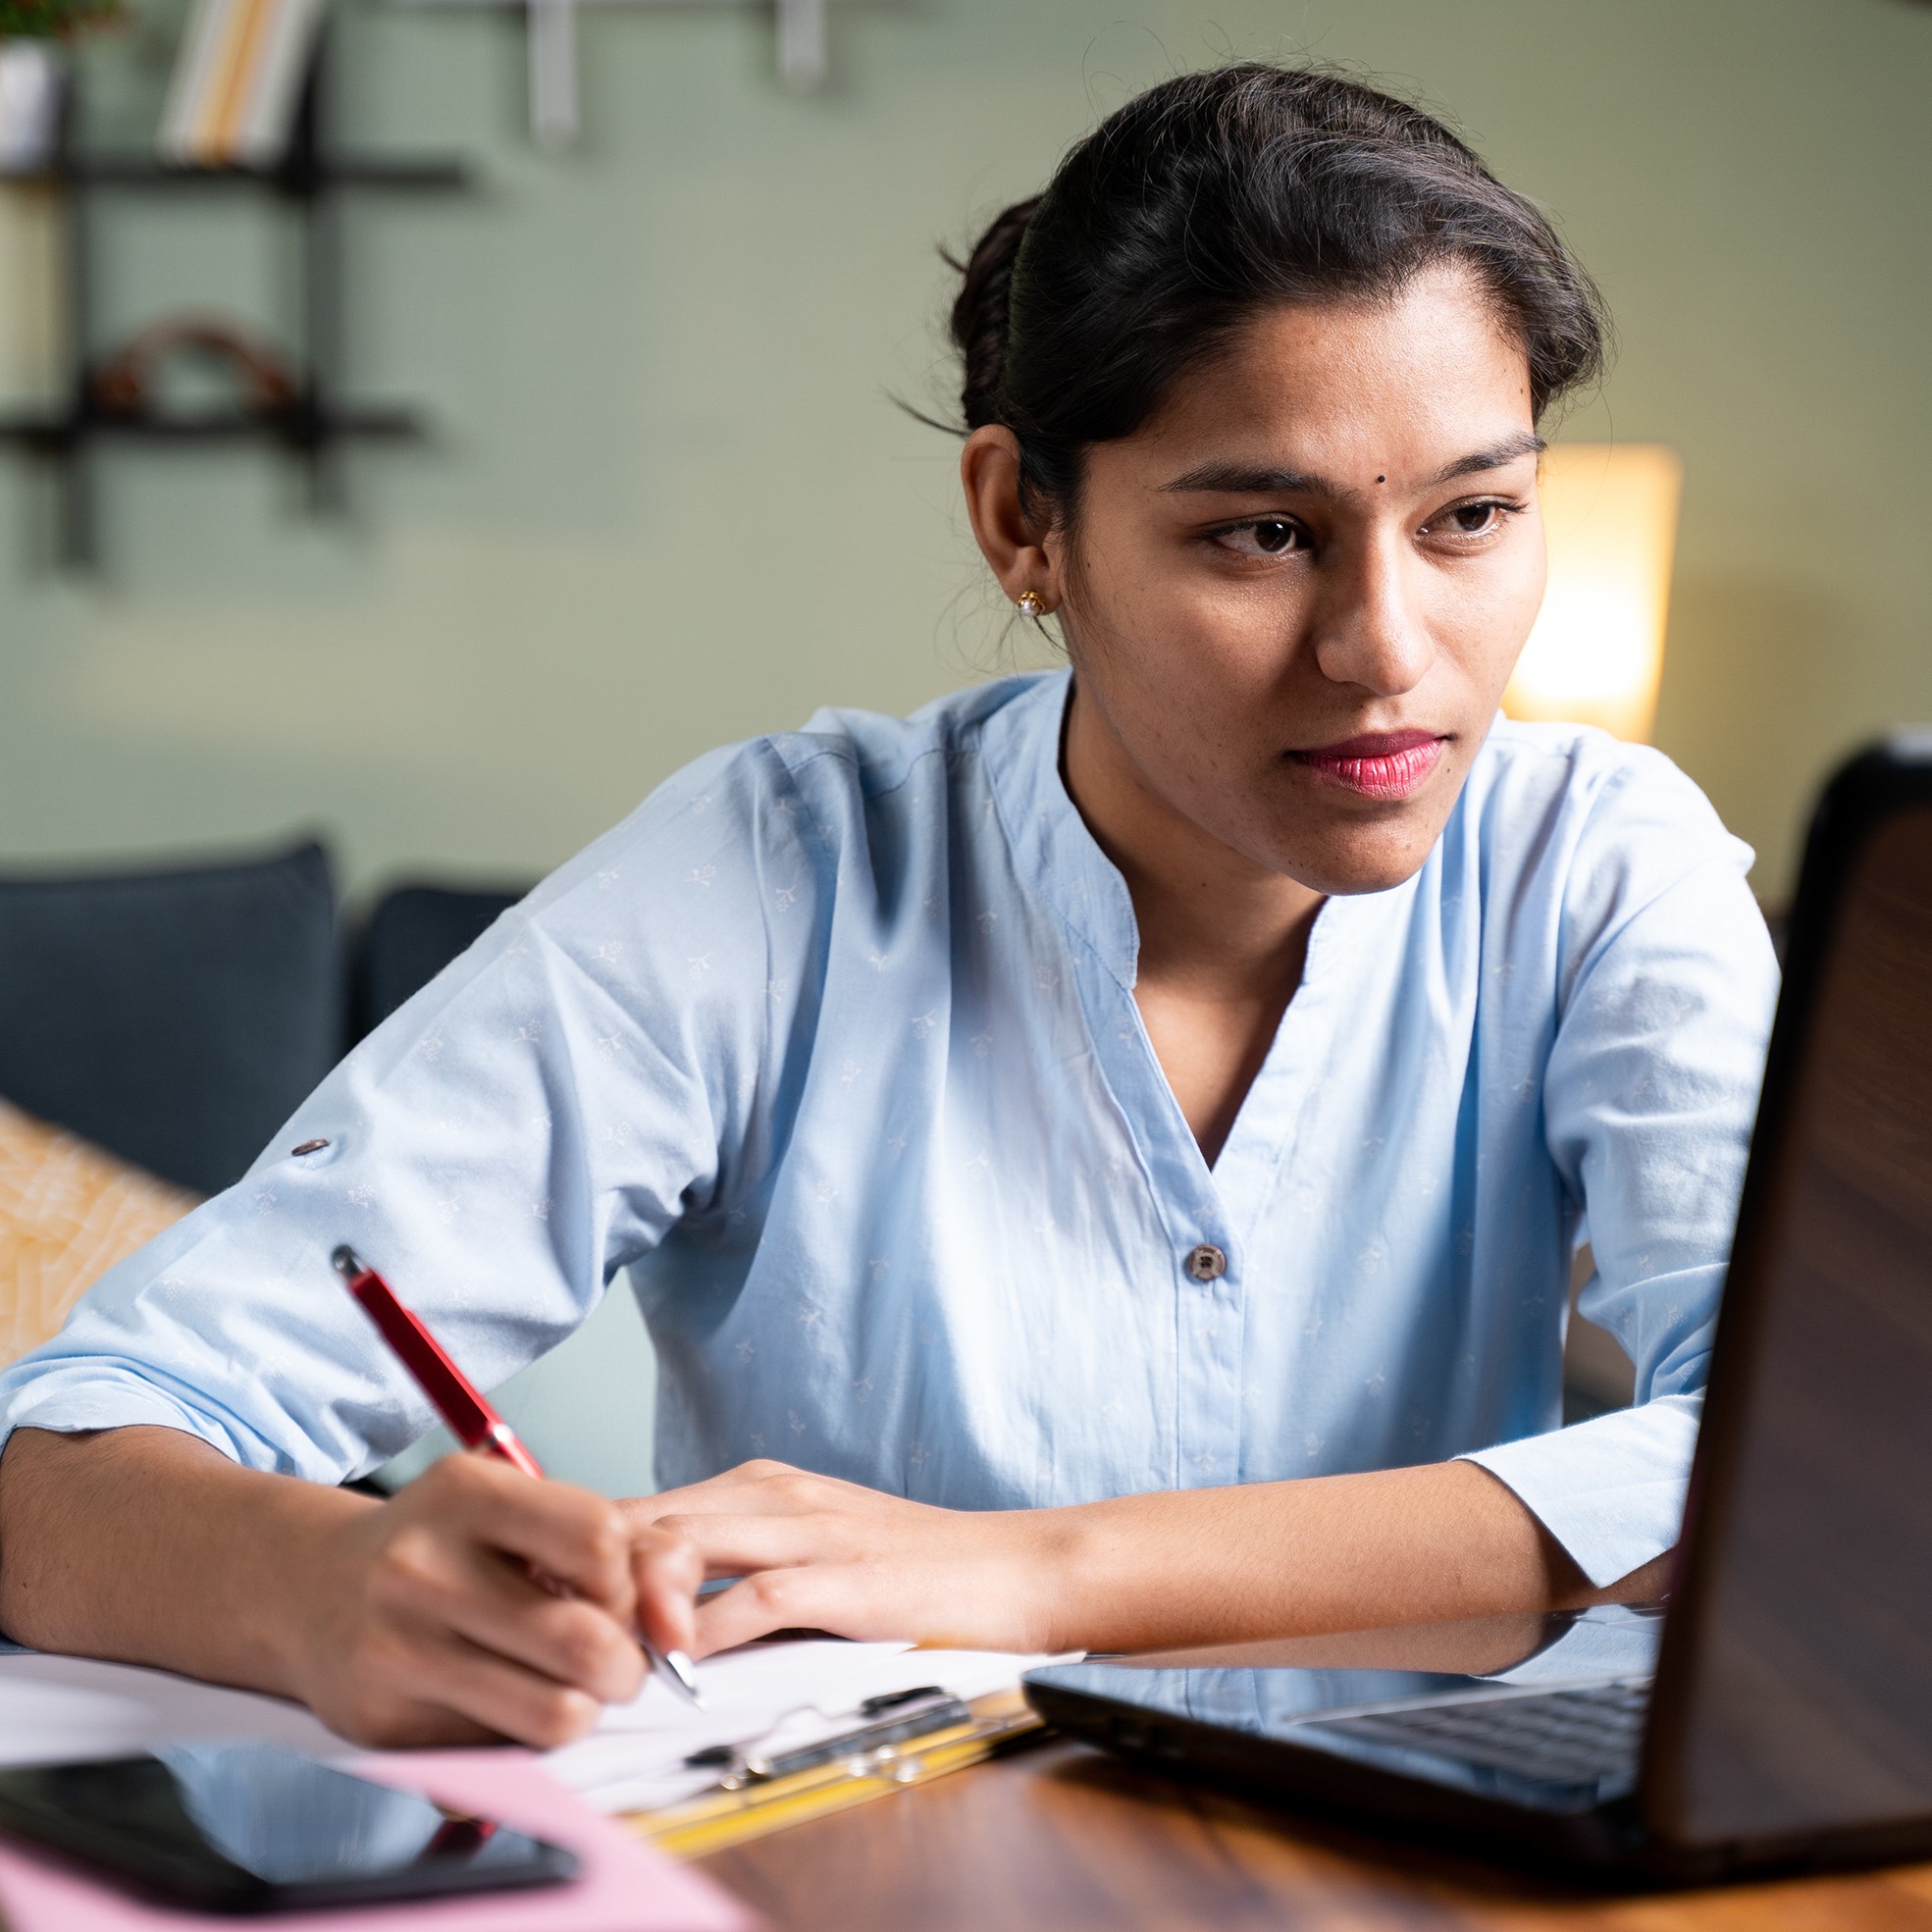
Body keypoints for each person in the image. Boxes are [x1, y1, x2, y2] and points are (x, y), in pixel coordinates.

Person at [0, 64, 1777, 1749]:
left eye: (1472, 515)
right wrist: (337, 1585)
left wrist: (1032, 1571)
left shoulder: (1600, 862)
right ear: (1024, 520)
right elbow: (60, 1475)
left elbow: (1808, 1477)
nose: (1387, 651)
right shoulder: (774, 876)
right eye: (1261, 535)